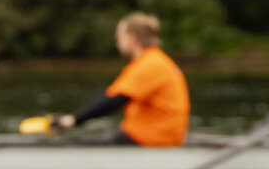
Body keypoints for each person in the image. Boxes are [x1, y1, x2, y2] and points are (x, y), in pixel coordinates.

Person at [52, 13, 189, 146]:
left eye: (119, 37)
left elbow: (113, 100)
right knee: (100, 139)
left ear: (132, 38)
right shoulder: (157, 60)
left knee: (81, 146)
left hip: (150, 138)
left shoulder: (150, 64)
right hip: (158, 136)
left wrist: (74, 120)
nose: (117, 42)